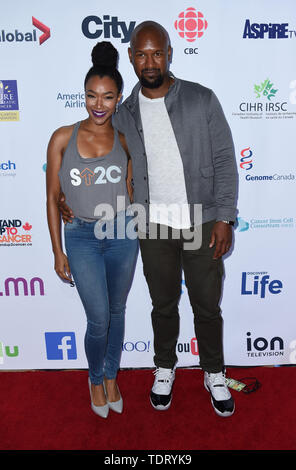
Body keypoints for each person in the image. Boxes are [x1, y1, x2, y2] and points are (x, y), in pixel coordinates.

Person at [60, 21, 238, 418]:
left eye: (157, 52)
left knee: (206, 305)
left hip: (201, 219)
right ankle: (164, 367)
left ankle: (214, 371)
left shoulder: (201, 99)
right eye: (141, 54)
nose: (150, 61)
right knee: (163, 304)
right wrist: (63, 199)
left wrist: (225, 216)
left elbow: (226, 159)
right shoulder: (122, 115)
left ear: (170, 53)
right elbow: (93, 160)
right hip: (151, 223)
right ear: (131, 58)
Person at [46, 41, 139, 419]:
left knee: (117, 311)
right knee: (98, 317)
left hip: (123, 234)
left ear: (119, 98)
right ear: (83, 96)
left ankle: (113, 375)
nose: (98, 105)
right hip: (82, 236)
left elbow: (136, 187)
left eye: (107, 97)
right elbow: (53, 197)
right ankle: (95, 377)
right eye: (91, 96)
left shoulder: (126, 137)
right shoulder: (62, 137)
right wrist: (57, 251)